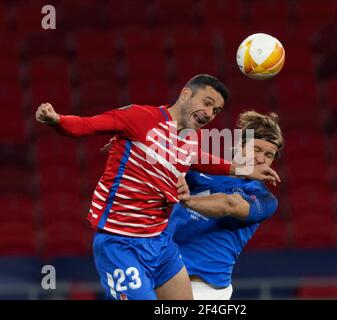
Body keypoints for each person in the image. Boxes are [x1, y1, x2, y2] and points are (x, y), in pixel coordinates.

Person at [35, 74, 281, 300]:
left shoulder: (262, 197)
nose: (209, 113)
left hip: (169, 252)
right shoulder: (141, 119)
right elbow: (86, 126)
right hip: (122, 242)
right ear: (185, 93)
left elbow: (214, 181)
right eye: (206, 103)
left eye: (215, 110)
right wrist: (56, 120)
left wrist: (240, 172)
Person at [168, 110, 284, 300]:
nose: (262, 159)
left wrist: (187, 200)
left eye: (269, 154)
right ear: (240, 145)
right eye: (256, 149)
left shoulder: (264, 198)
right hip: (161, 274)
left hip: (204, 288)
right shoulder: (202, 169)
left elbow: (230, 204)